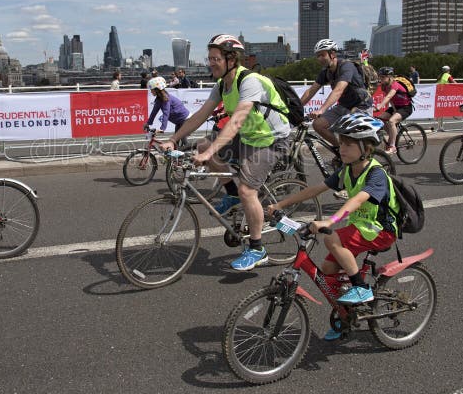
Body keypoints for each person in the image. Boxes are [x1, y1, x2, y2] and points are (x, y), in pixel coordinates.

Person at [159, 34, 291, 271]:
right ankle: (231, 196)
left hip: (272, 140)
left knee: (247, 190)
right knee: (201, 145)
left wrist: (211, 153)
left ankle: (257, 248)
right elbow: (200, 116)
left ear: (232, 59)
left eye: (215, 58)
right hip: (250, 135)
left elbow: (238, 118)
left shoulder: (249, 81)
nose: (211, 63)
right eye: (209, 58)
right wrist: (173, 139)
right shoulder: (221, 84)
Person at [266, 113, 399, 340]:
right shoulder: (347, 170)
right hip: (361, 227)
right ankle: (345, 315)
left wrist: (330, 221)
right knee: (328, 272)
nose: (341, 148)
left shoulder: (376, 174)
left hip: (381, 230)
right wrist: (280, 204)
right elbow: (316, 189)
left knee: (331, 238)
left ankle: (361, 288)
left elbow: (356, 200)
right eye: (341, 142)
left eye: (348, 144)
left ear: (366, 149)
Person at [299, 39, 373, 148]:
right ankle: (341, 150)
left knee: (347, 133)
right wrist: (295, 108)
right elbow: (310, 91)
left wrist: (321, 110)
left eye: (322, 55)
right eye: (317, 56)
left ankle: (357, 155)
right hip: (344, 106)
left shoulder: (346, 66)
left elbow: (338, 90)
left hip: (361, 105)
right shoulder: (326, 72)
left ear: (332, 54)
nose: (319, 58)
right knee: (318, 124)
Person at [373, 67, 413, 154]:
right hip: (397, 107)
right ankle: (392, 135)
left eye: (383, 77)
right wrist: (394, 109)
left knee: (391, 121)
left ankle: (393, 146)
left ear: (390, 77)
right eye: (380, 77)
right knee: (378, 119)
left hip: (406, 107)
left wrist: (379, 106)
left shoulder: (395, 84)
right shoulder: (384, 86)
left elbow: (389, 96)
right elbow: (391, 100)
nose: (381, 79)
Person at [145, 76, 190, 142]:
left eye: (151, 89)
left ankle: (190, 151)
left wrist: (162, 128)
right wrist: (148, 123)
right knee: (175, 142)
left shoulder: (166, 99)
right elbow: (154, 112)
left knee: (181, 139)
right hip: (179, 121)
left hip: (185, 119)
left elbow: (166, 113)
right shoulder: (159, 99)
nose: (151, 91)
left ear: (157, 90)